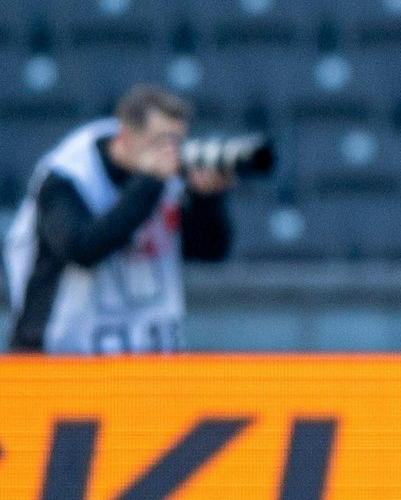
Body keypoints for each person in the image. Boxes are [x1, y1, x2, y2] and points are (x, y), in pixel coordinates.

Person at [5, 84, 233, 354]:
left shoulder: (167, 175)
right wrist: (148, 184)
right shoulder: (67, 178)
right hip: (64, 359)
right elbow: (82, 249)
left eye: (177, 141)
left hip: (149, 358)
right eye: (160, 141)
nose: (171, 152)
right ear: (124, 137)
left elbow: (209, 250)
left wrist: (206, 198)